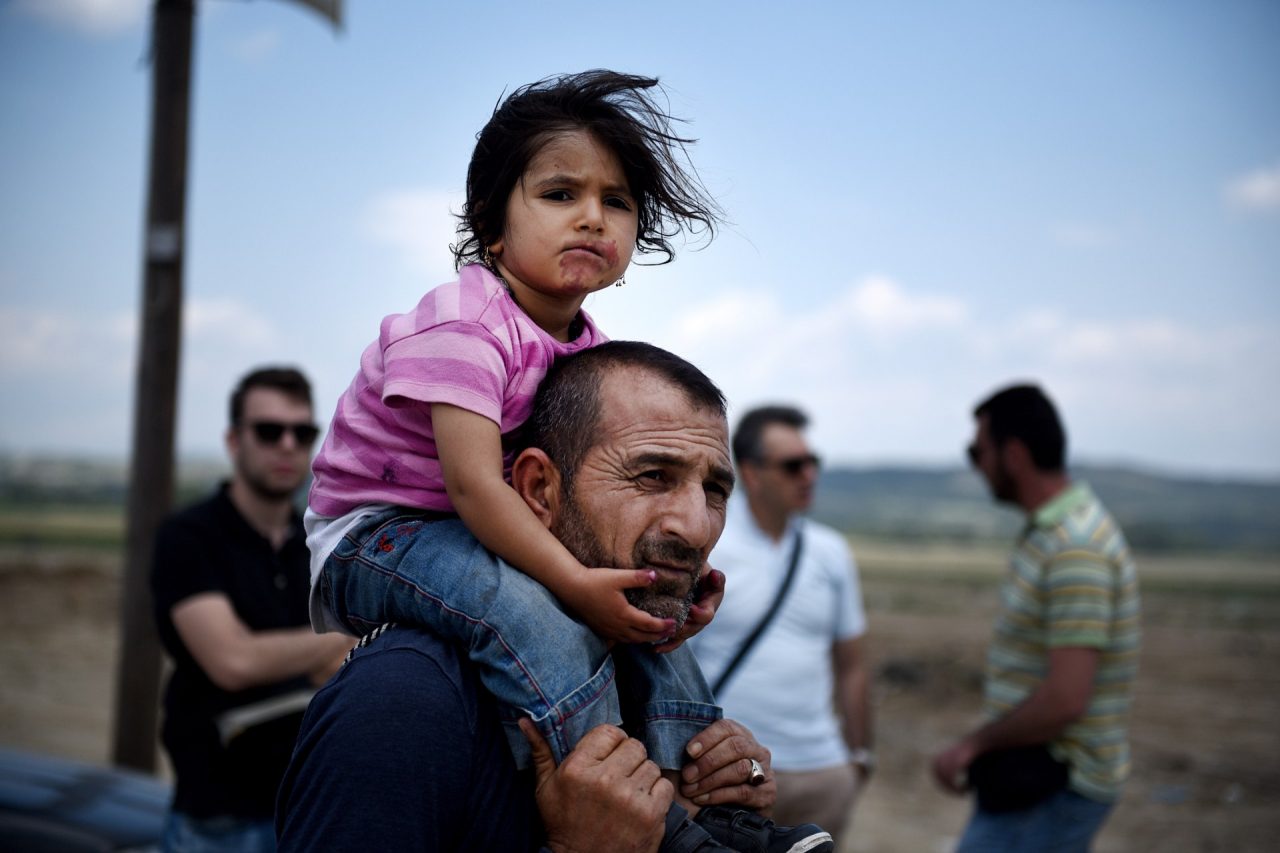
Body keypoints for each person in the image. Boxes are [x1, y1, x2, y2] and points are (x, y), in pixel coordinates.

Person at [279, 341, 834, 853]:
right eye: (652, 476)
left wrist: (736, 790)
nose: (694, 526)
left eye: (714, 489)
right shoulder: (404, 701)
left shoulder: (637, 660)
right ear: (539, 489)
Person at [149, 367, 353, 852]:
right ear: (233, 440)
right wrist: (340, 636)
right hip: (220, 824)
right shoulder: (190, 537)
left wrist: (306, 654)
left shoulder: (322, 544)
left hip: (313, 812)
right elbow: (232, 661)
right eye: (268, 431)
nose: (287, 445)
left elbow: (343, 672)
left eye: (302, 432)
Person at [931, 384, 1142, 852]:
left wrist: (972, 746)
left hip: (1055, 785)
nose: (976, 465)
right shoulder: (1054, 532)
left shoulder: (1075, 547)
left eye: (977, 451)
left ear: (1014, 453)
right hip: (1041, 777)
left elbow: (1067, 698)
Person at [690, 406, 874, 847]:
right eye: (794, 465)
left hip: (821, 772)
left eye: (813, 463)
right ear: (751, 473)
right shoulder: (709, 545)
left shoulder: (831, 552)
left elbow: (852, 664)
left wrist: (859, 757)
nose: (809, 474)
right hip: (733, 772)